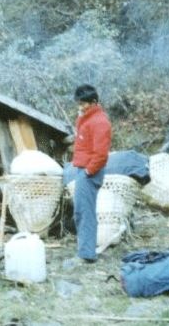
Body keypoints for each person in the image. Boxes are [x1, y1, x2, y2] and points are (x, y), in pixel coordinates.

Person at [70, 84, 111, 263]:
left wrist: (88, 171)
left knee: (85, 213)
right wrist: (81, 115)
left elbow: (101, 154)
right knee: (81, 211)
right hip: (82, 169)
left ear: (94, 102)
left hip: (89, 172)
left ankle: (87, 254)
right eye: (79, 103)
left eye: (83, 103)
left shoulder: (100, 122)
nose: (80, 107)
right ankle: (85, 250)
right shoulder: (87, 118)